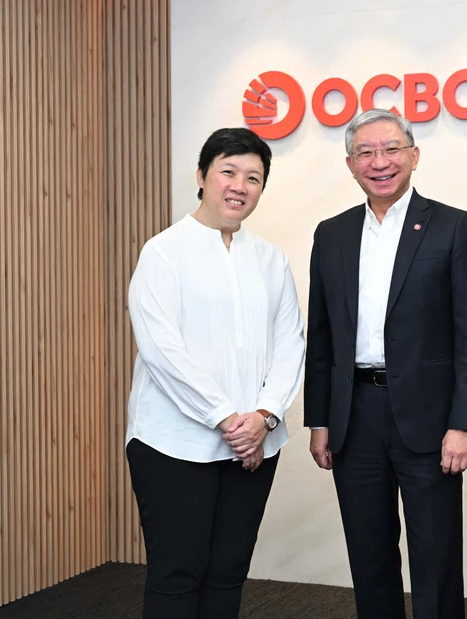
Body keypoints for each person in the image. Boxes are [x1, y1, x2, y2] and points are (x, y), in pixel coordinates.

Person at [304, 109, 467, 619]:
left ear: (414, 156)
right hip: (353, 416)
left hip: (431, 419)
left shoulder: (452, 227)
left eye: (391, 149)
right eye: (365, 152)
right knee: (368, 556)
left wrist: (464, 423)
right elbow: (321, 338)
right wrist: (320, 419)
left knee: (435, 556)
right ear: (350, 165)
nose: (379, 162)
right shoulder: (331, 234)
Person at [124, 127, 305, 618]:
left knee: (228, 573)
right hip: (173, 443)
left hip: (253, 445)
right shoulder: (164, 252)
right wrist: (228, 419)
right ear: (202, 176)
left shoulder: (270, 259)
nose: (240, 186)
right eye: (228, 171)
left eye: (254, 177)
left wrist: (263, 417)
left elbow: (291, 344)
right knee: (177, 574)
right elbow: (163, 350)